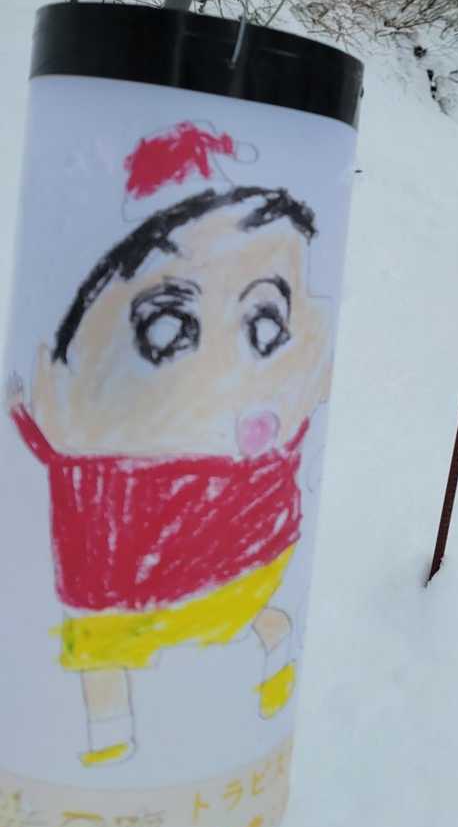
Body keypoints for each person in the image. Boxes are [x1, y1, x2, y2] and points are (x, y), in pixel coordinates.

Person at [8, 122, 333, 767]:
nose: (220, 370)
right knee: (111, 642)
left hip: (214, 555)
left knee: (126, 641)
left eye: (265, 326)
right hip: (143, 564)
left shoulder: (247, 448)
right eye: (167, 327)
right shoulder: (94, 438)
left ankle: (113, 741)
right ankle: (109, 748)